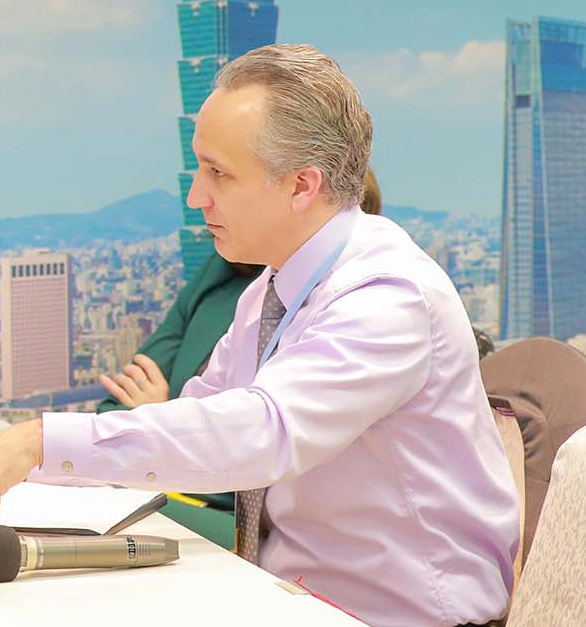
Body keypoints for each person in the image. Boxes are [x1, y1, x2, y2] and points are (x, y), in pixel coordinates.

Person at [0, 45, 519, 627]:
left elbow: (260, 433)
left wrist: (37, 442)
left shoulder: (388, 297)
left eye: (218, 173)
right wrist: (2, 458)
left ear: (302, 186)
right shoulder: (273, 289)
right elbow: (195, 418)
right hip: (308, 625)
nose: (195, 196)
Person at [95, 168, 382, 545]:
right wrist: (172, 426)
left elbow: (268, 448)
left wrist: (164, 417)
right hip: (166, 493)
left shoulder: (360, 302)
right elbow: (116, 405)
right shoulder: (231, 280)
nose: (200, 200)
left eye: (221, 176)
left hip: (247, 524)